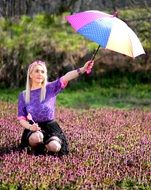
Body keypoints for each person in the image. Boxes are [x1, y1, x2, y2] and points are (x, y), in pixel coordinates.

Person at [18, 60, 94, 156]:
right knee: (36, 138)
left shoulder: (50, 87)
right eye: (36, 71)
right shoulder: (24, 95)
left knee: (55, 146)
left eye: (42, 72)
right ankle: (37, 151)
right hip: (33, 127)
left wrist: (83, 69)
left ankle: (45, 150)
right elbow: (21, 118)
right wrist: (30, 127)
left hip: (50, 127)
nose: (40, 74)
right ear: (30, 74)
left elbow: (66, 77)